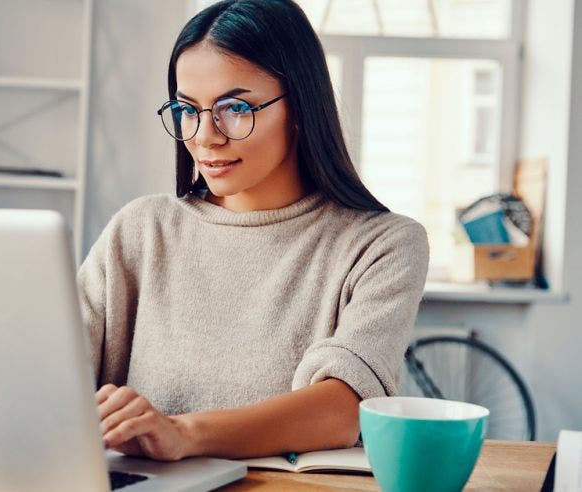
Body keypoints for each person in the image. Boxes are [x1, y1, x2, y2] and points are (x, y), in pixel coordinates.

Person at [78, 0, 429, 462]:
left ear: (301, 105)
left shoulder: (383, 245)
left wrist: (183, 433)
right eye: (188, 109)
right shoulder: (140, 230)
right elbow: (53, 370)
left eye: (235, 107)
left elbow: (343, 408)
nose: (205, 136)